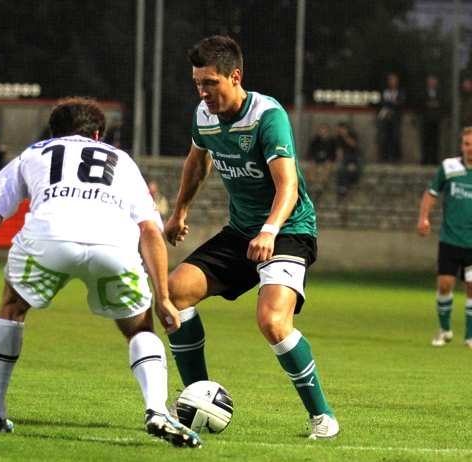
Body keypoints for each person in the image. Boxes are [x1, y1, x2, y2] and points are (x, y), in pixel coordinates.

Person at [0, 97, 202, 448]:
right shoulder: (121, 160)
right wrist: (163, 298)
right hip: (112, 244)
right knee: (140, 327)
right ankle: (156, 409)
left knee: (12, 308)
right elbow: (149, 231)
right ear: (97, 134)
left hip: (48, 239)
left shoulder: (31, 154)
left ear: (54, 131)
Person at [163, 35, 338, 439]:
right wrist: (179, 211)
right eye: (197, 84)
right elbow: (197, 162)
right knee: (174, 294)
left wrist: (269, 230)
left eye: (210, 83)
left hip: (288, 230)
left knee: (272, 321)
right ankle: (197, 396)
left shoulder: (267, 115)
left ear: (235, 76)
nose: (203, 92)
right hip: (243, 232)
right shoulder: (203, 116)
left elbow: (288, 186)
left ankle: (323, 416)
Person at [417, 126, 472, 348]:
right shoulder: (449, 168)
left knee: (471, 287)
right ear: (461, 146)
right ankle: (445, 330)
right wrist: (424, 218)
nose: (471, 148)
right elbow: (431, 192)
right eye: (467, 144)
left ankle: (469, 336)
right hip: (450, 238)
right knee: (445, 285)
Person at [335, 122, 364, 226]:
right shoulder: (339, 139)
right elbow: (339, 151)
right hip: (346, 157)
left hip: (355, 155)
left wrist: (346, 137)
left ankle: (354, 180)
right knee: (341, 169)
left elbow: (354, 145)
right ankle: (343, 185)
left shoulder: (352, 135)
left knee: (358, 167)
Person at [376, 73, 406, 163]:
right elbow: (382, 103)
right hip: (385, 117)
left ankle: (396, 158)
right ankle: (385, 157)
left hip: (396, 117)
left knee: (395, 137)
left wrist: (393, 103)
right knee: (385, 137)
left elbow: (401, 103)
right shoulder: (384, 92)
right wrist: (391, 103)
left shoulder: (401, 92)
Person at [420, 75, 445, 166]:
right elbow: (420, 103)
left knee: (435, 140)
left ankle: (434, 159)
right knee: (426, 140)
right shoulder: (423, 92)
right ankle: (425, 159)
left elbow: (443, 103)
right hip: (426, 120)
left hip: (436, 120)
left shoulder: (440, 93)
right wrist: (428, 104)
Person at [305, 123, 337, 195]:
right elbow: (311, 150)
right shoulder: (316, 140)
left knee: (328, 164)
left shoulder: (331, 141)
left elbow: (333, 151)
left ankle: (324, 182)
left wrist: (326, 155)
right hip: (316, 156)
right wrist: (318, 154)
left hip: (327, 157)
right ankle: (311, 182)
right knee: (312, 163)